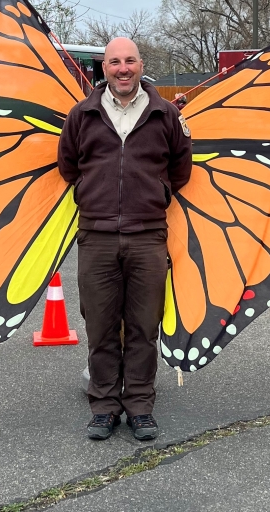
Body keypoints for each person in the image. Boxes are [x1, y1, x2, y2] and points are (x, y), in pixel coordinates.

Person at [58, 37, 193, 441]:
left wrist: (158, 193)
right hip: (96, 237)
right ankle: (103, 406)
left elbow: (181, 168)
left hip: (148, 236)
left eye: (129, 61)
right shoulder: (81, 114)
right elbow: (67, 165)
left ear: (140, 64)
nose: (122, 68)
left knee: (143, 327)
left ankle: (139, 406)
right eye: (114, 61)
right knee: (99, 326)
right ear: (104, 68)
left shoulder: (165, 114)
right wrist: (91, 190)